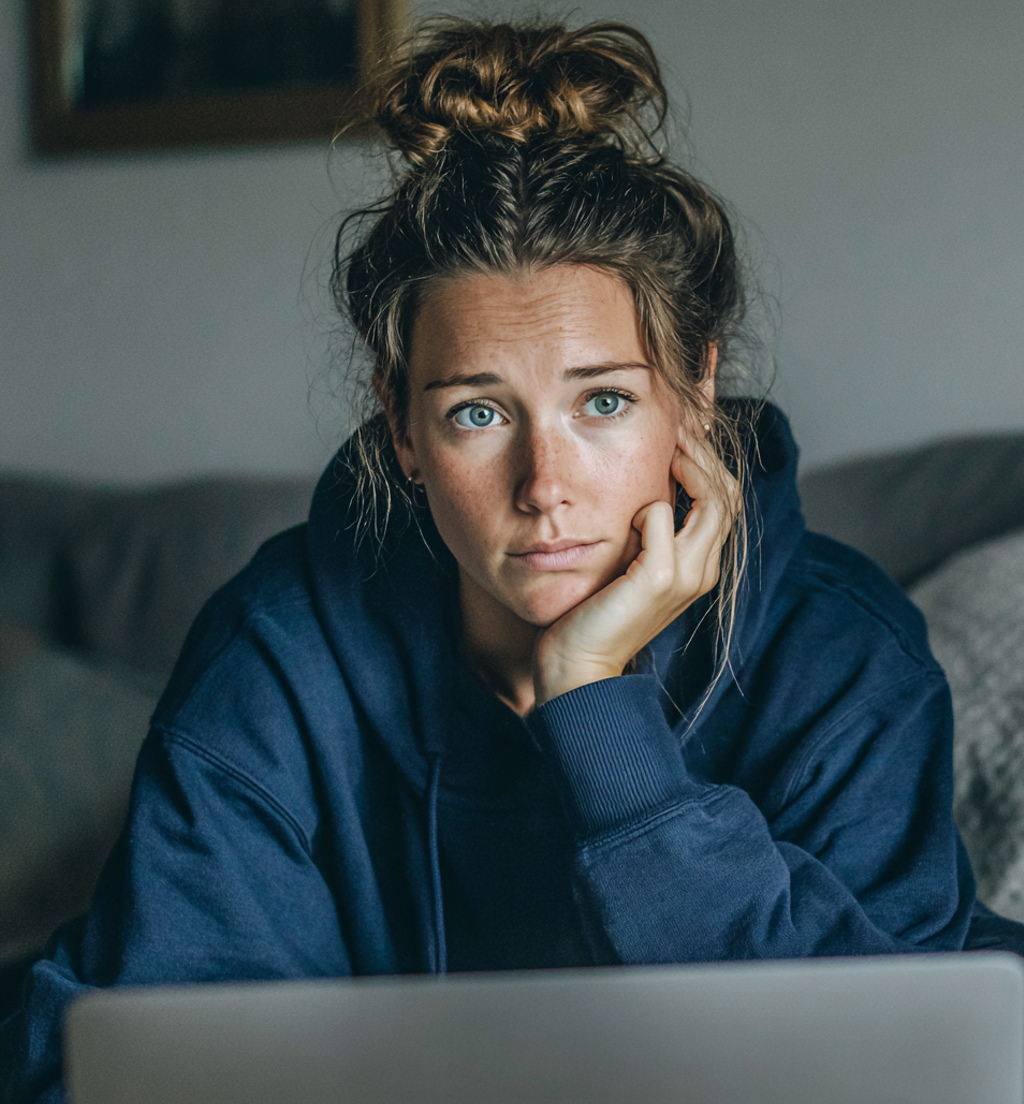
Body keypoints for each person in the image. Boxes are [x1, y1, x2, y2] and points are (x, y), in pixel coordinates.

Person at [3, 16, 1022, 1104]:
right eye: (478, 411)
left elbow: (881, 1064)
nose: (545, 485)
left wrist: (590, 705)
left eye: (604, 401)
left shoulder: (841, 659)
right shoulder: (277, 648)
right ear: (399, 423)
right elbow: (146, 1047)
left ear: (696, 392)